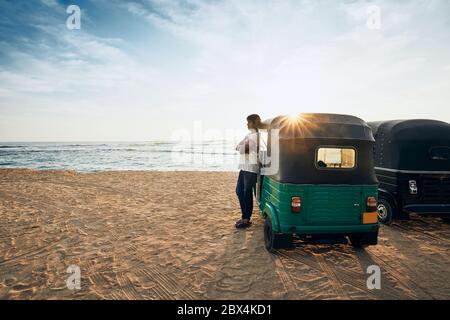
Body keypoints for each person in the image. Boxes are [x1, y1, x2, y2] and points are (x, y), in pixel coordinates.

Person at [235, 114, 261, 229]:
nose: (247, 124)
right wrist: (241, 147)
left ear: (254, 123)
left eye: (249, 122)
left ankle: (246, 218)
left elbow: (241, 150)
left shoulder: (255, 136)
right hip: (244, 168)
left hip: (250, 168)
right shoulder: (249, 135)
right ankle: (245, 216)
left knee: (246, 192)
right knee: (239, 191)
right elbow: (238, 147)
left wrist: (242, 147)